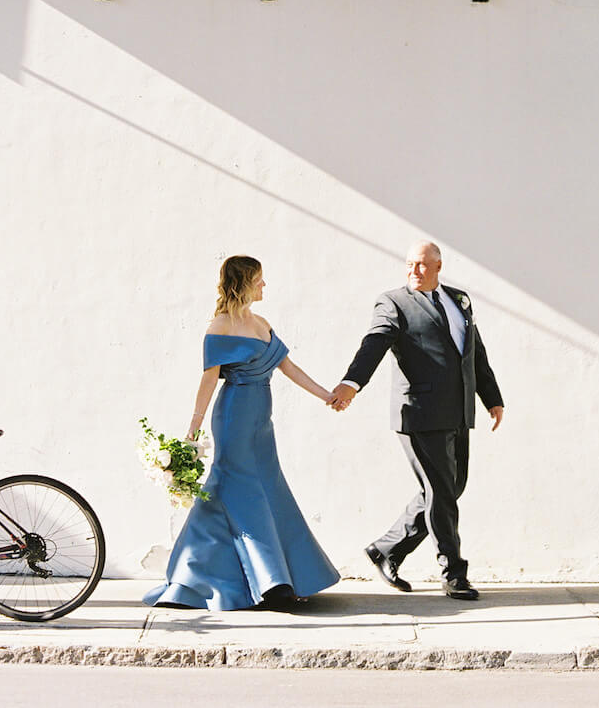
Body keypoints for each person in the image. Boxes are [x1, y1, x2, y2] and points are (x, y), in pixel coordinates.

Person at [144, 254, 340, 611]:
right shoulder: (219, 325)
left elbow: (289, 368)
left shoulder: (262, 323)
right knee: (242, 491)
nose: (264, 285)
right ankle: (269, 583)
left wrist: (327, 395)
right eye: (260, 279)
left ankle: (254, 575)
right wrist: (193, 427)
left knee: (265, 488)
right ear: (244, 282)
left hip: (261, 423)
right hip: (233, 417)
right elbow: (208, 379)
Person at [329, 240, 503, 601]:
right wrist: (351, 383)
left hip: (458, 411)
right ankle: (454, 572)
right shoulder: (393, 302)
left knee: (449, 489)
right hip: (420, 412)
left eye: (422, 265)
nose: (414, 271)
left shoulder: (459, 300)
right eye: (410, 264)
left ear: (438, 267)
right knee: (441, 493)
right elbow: (374, 342)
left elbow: (475, 352)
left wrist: (492, 398)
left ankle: (386, 550)